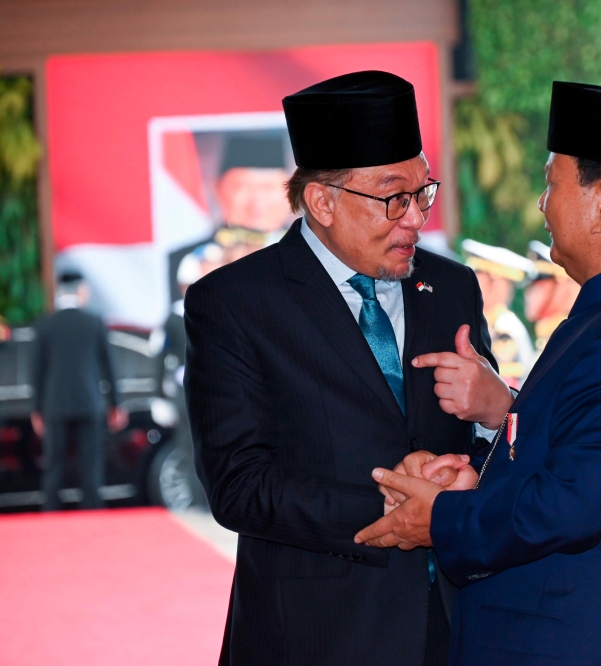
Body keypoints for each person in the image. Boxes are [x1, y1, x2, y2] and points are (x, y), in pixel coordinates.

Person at [355, 81, 601, 664]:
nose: (541, 204)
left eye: (552, 184)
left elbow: (570, 503)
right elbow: (591, 455)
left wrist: (442, 518)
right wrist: (493, 442)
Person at [184, 71, 506, 666]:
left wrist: (494, 416)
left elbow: (495, 455)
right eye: (394, 198)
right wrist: (393, 507)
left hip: (454, 627)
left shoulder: (452, 286)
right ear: (323, 202)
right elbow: (238, 486)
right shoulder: (236, 303)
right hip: (316, 635)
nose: (416, 219)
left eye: (423, 193)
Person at [31, 271, 127, 510]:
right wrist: (116, 404)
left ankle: (51, 515)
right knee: (91, 467)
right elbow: (109, 368)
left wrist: (36, 410)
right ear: (80, 291)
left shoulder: (45, 324)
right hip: (89, 402)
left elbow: (37, 371)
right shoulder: (94, 322)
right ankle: (92, 517)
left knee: (54, 467)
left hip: (54, 405)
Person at [168, 133, 293, 303]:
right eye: (242, 186)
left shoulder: (310, 255)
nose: (257, 200)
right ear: (216, 188)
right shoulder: (184, 260)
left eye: (268, 187)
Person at [460, 238, 535, 387]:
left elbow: (505, 388)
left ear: (494, 285)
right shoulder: (488, 322)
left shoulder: (504, 331)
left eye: (477, 279)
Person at [524, 239, 580, 354]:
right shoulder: (550, 335)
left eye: (536, 290)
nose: (527, 294)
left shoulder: (569, 337)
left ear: (561, 290)